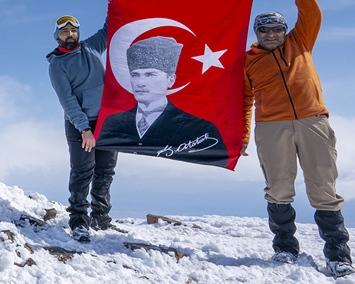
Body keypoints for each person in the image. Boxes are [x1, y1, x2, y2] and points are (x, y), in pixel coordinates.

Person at [244, 0, 353, 276]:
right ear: (257, 33)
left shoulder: (301, 41)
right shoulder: (249, 62)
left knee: (323, 188)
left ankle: (338, 255)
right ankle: (285, 249)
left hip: (312, 122)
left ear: (284, 29)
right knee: (278, 188)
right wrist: (241, 138)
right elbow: (244, 101)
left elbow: (311, 11)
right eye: (264, 29)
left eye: (277, 28)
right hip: (271, 128)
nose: (271, 34)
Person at [97, 36, 229, 168]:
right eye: (135, 75)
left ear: (171, 80)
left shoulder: (201, 129)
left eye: (150, 74)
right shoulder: (112, 123)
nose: (140, 83)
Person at [47, 15, 117, 243]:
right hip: (80, 126)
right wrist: (84, 129)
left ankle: (101, 218)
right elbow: (67, 101)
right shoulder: (58, 65)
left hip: (106, 122)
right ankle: (79, 222)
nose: (70, 34)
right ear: (57, 36)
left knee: (106, 171)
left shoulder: (91, 47)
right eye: (65, 31)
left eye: (73, 30)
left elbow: (110, 29)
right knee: (83, 172)